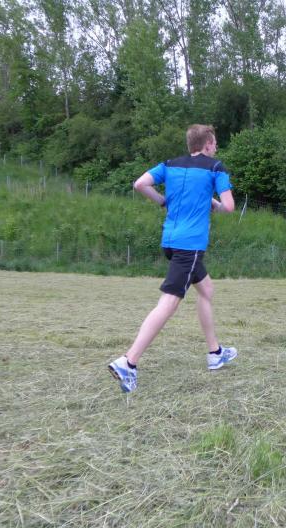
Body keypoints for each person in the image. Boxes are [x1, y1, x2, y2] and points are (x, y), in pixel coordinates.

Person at [108, 125, 238, 393]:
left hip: (170, 241)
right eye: (215, 143)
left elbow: (140, 184)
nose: (216, 148)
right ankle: (128, 363)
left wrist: (161, 201)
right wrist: (214, 204)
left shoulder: (170, 165)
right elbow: (228, 207)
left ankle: (215, 353)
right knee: (168, 303)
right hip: (190, 246)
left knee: (207, 290)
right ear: (207, 144)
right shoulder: (216, 168)